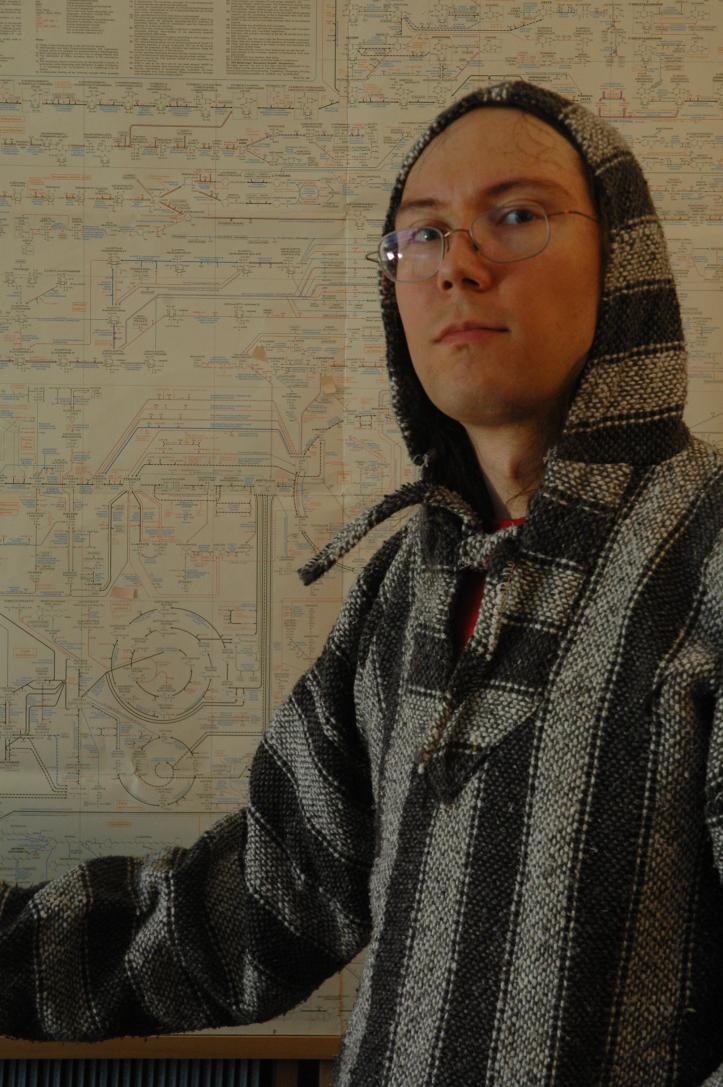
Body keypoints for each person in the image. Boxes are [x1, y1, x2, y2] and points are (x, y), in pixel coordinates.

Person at [0, 79, 720, 1086]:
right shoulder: (409, 582)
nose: (456, 266)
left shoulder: (707, 552)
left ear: (624, 258)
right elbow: (259, 902)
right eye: (421, 236)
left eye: (515, 217)